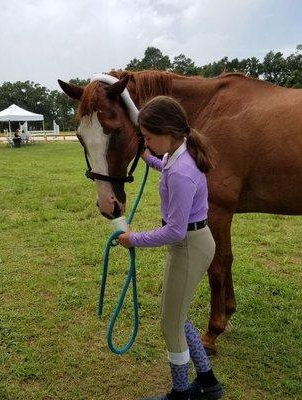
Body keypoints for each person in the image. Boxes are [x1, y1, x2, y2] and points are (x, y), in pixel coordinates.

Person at [118, 96, 223, 400]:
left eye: (149, 137)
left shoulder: (181, 171)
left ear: (167, 132)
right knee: (176, 316)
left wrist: (132, 239)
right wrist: (146, 156)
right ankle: (207, 382)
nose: (147, 142)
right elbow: (163, 164)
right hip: (190, 244)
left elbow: (174, 230)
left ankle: (181, 393)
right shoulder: (179, 152)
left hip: (188, 245)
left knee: (170, 324)